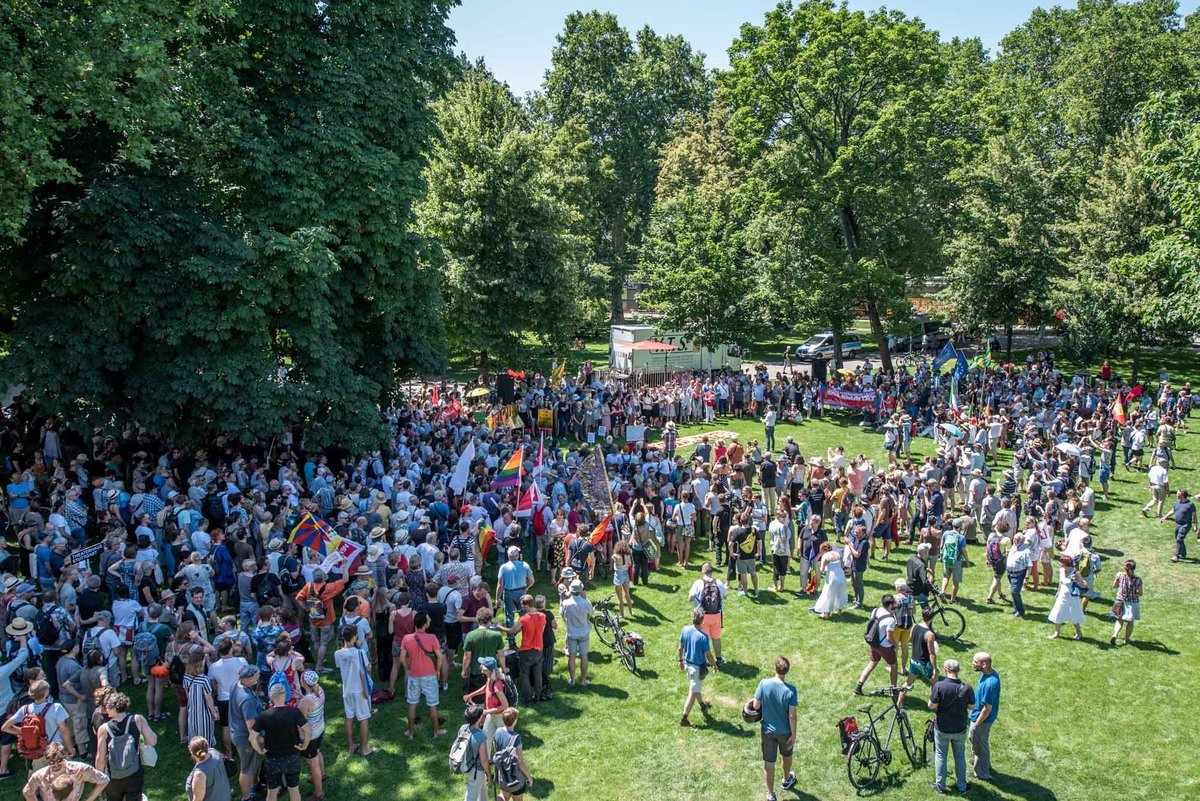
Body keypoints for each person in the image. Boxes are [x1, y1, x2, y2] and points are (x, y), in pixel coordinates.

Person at [250, 683, 311, 801]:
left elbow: (252, 738)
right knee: (294, 790)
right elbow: (307, 731)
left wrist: (260, 750)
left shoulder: (264, 716)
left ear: (271, 696)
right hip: (292, 757)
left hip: (272, 759)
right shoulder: (294, 712)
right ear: (285, 695)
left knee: (272, 792)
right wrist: (304, 745)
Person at [93, 692, 156, 801]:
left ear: (113, 707)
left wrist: (99, 778)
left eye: (107, 706)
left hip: (113, 777)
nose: (105, 709)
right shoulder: (137, 720)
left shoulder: (104, 729)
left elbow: (101, 759)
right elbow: (152, 741)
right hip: (134, 773)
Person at [750, 656, 798, 801]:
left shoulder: (764, 684)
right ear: (787, 671)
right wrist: (793, 735)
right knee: (787, 755)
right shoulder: (791, 691)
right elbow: (792, 716)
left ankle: (771, 795)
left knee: (769, 762)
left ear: (774, 669)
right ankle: (786, 779)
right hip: (785, 732)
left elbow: (756, 706)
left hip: (767, 731)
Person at [928, 658, 975, 795]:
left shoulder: (940, 686)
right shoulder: (967, 688)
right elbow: (972, 706)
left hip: (942, 727)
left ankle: (940, 785)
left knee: (941, 755)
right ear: (958, 670)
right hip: (960, 727)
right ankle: (962, 786)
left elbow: (931, 706)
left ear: (946, 669)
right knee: (960, 756)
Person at [3, 679, 74, 768]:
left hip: (37, 752)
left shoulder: (25, 709)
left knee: (42, 779)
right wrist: (70, 747)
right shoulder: (56, 708)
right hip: (56, 749)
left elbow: (5, 727)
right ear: (46, 693)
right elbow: (64, 730)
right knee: (64, 778)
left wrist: (24, 732)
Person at [336, 625, 381, 753]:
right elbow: (368, 668)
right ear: (355, 637)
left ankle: (351, 746)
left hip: (347, 690)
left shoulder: (337, 653)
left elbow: (340, 667)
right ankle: (365, 749)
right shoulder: (360, 653)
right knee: (363, 718)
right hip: (360, 690)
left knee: (349, 717)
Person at [496, 595, 545, 705]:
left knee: (525, 674)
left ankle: (527, 698)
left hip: (526, 650)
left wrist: (500, 627)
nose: (522, 607)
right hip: (539, 650)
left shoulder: (524, 619)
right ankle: (538, 696)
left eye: (523, 605)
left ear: (527, 606)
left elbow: (512, 631)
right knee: (538, 674)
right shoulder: (542, 616)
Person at [20, 743, 109, 801]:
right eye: (51, 762)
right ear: (46, 760)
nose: (55, 764)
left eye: (59, 760)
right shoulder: (40, 776)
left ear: (65, 756)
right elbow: (27, 792)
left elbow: (104, 780)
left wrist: (89, 800)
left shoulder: (79, 769)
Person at [677, 607, 717, 727]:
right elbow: (708, 655)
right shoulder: (703, 637)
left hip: (687, 665)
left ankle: (703, 705)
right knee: (693, 692)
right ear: (702, 620)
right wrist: (714, 664)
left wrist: (680, 661)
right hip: (697, 668)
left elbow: (680, 648)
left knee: (695, 686)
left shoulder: (685, 630)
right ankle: (684, 719)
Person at [855, 594, 898, 695]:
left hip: (874, 643)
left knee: (871, 664)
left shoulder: (875, 610)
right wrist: (895, 644)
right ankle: (893, 689)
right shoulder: (891, 620)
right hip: (885, 647)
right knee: (894, 666)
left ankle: (858, 688)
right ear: (891, 605)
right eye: (894, 603)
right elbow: (889, 638)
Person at [898, 608, 938, 708]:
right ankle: (933, 704)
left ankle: (899, 703)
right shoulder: (930, 634)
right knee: (935, 682)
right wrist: (935, 668)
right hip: (924, 663)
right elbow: (932, 653)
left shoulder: (915, 626)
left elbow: (911, 640)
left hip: (914, 660)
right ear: (932, 618)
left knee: (908, 682)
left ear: (922, 615)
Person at [687, 564, 727, 665]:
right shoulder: (718, 582)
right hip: (716, 615)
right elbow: (725, 596)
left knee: (702, 638)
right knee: (716, 637)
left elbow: (690, 597)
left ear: (702, 572)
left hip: (702, 616)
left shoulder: (698, 583)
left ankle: (702, 660)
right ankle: (719, 658)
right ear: (711, 572)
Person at [969, 652, 1000, 781]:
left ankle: (982, 773)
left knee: (980, 744)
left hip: (982, 720)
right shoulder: (990, 673)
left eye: (975, 662)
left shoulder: (990, 684)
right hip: (978, 716)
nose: (972, 663)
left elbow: (987, 709)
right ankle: (981, 762)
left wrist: (976, 724)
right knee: (976, 741)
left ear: (984, 664)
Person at [491, 708, 533, 801]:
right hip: (515, 777)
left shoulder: (498, 731)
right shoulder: (516, 737)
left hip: (502, 774)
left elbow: (495, 748)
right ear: (515, 721)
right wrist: (529, 777)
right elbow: (520, 762)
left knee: (503, 796)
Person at [296, 670, 325, 801]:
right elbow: (312, 703)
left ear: (303, 682)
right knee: (317, 753)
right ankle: (322, 775)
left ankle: (318, 793)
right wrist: (302, 697)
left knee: (312, 764)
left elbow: (301, 723)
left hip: (310, 736)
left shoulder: (305, 702)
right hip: (320, 729)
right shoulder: (320, 690)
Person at [558, 581, 593, 687]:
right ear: (581, 590)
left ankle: (572, 680)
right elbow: (590, 614)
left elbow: (562, 615)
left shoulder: (565, 603)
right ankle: (583, 680)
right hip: (583, 633)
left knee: (571, 657)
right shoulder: (586, 603)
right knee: (584, 656)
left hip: (571, 633)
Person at [1047, 555, 1088, 640]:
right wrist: (1058, 592)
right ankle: (1057, 633)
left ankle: (1079, 633)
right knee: (1058, 613)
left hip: (1072, 598)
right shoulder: (1061, 570)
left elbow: (1085, 585)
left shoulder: (1075, 573)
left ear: (1066, 563)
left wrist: (1076, 580)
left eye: (1061, 562)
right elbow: (1060, 583)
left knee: (1074, 615)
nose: (1060, 564)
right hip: (1062, 596)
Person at [457, 704, 491, 801]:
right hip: (477, 771)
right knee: (471, 796)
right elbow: (484, 760)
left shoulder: (463, 728)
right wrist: (488, 773)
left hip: (467, 763)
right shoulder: (481, 736)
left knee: (483, 789)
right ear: (479, 718)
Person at [186, 736, 233, 801]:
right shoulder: (215, 753)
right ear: (207, 746)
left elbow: (198, 799)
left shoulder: (200, 774)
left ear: (191, 751)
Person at [1111, 559, 1144, 646]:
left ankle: (1115, 635)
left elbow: (1114, 586)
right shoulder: (1137, 580)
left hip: (1120, 601)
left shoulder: (1119, 575)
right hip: (1132, 603)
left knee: (1120, 620)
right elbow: (1140, 593)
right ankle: (1126, 640)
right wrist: (1136, 591)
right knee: (1130, 622)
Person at [811, 541, 847, 618]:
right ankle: (839, 612)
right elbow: (842, 565)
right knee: (840, 593)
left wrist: (824, 567)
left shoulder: (825, 556)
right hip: (841, 576)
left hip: (832, 578)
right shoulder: (837, 554)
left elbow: (822, 569)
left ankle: (827, 614)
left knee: (828, 595)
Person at [1005, 533, 1035, 617]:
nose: (1014, 540)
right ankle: (1016, 608)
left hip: (1018, 575)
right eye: (1014, 538)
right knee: (1014, 592)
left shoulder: (1026, 551)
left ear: (1021, 541)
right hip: (1010, 573)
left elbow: (1029, 566)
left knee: (1014, 592)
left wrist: (1027, 578)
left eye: (1017, 539)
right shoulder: (1014, 546)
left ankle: (1020, 611)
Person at [938, 520, 968, 603]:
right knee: (955, 581)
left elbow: (941, 545)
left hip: (946, 559)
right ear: (960, 527)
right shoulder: (961, 537)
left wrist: (941, 555)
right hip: (956, 561)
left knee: (945, 577)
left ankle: (943, 591)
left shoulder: (946, 533)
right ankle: (953, 599)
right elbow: (963, 551)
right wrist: (967, 561)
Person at [1169, 488, 1197, 562]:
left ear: (1183, 495)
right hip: (1177, 524)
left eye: (1178, 493)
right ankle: (1183, 553)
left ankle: (1176, 555)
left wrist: (1195, 526)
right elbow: (1173, 510)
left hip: (1186, 524)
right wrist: (1165, 517)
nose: (1176, 494)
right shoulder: (1177, 502)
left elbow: (1194, 515)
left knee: (1179, 539)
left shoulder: (1190, 504)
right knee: (1179, 540)